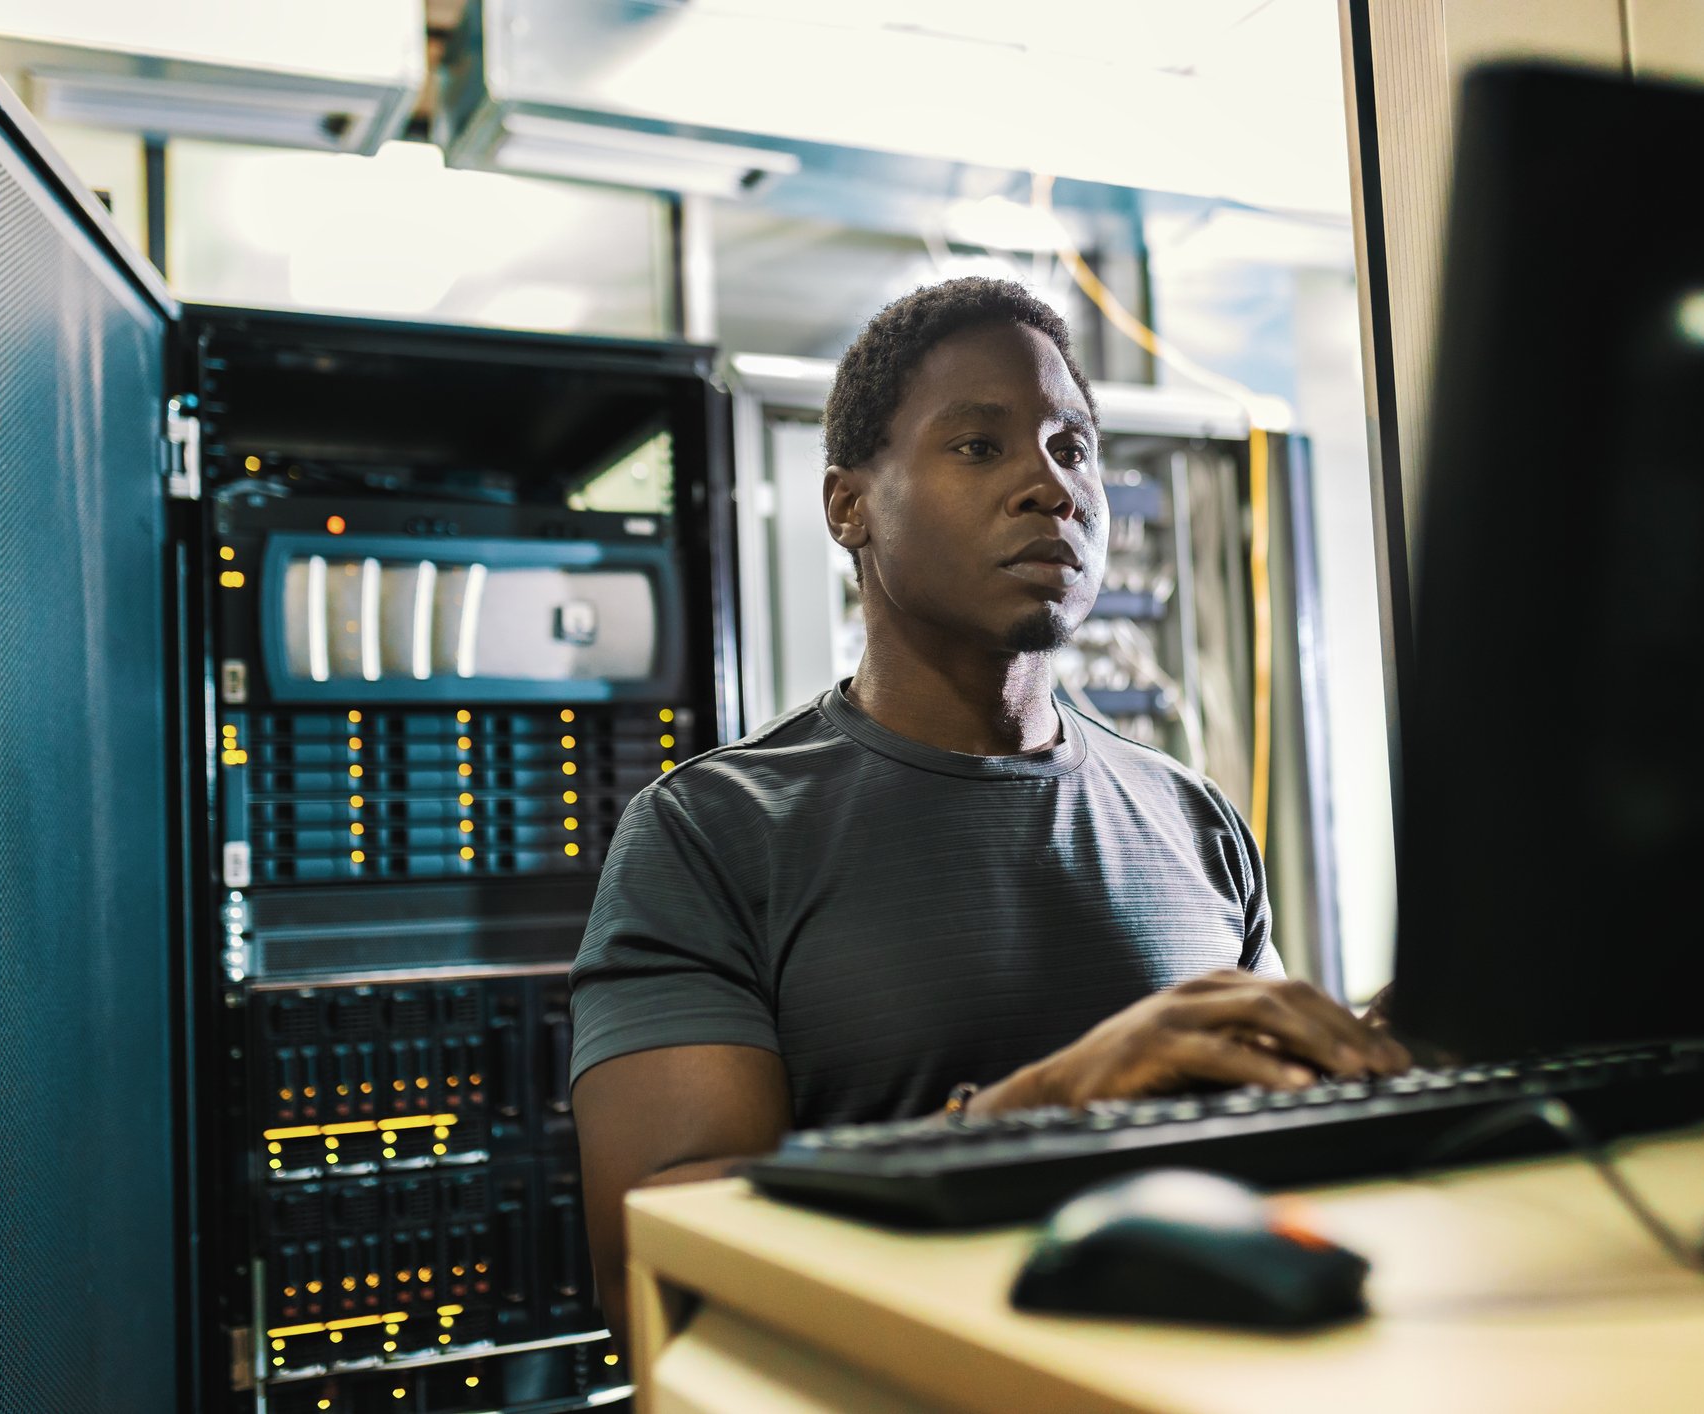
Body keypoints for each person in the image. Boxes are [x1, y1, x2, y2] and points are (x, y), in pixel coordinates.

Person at [569, 276, 1405, 1345]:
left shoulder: (1194, 819)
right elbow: (647, 1261)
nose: (1051, 487)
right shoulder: (711, 832)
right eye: (979, 446)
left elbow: (1282, 1155)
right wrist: (1047, 1103)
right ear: (849, 505)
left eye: (1073, 447)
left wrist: (1380, 1064)